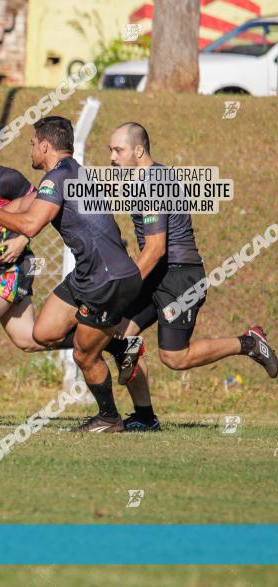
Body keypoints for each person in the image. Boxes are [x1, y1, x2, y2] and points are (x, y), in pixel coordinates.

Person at [0, 116, 143, 433]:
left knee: (84, 355)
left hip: (105, 277)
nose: (31, 148)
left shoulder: (54, 179)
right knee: (41, 334)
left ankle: (108, 416)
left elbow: (31, 224)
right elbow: (26, 202)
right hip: (88, 274)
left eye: (33, 143)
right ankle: (114, 344)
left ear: (45, 145)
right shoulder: (71, 172)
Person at [106, 122, 277, 431]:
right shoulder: (144, 179)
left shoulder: (153, 183)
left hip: (179, 278)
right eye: (111, 150)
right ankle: (145, 417)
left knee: (175, 358)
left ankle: (249, 343)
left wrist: (127, 284)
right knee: (118, 333)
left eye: (118, 150)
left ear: (138, 150)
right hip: (157, 275)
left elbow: (156, 249)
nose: (112, 157)